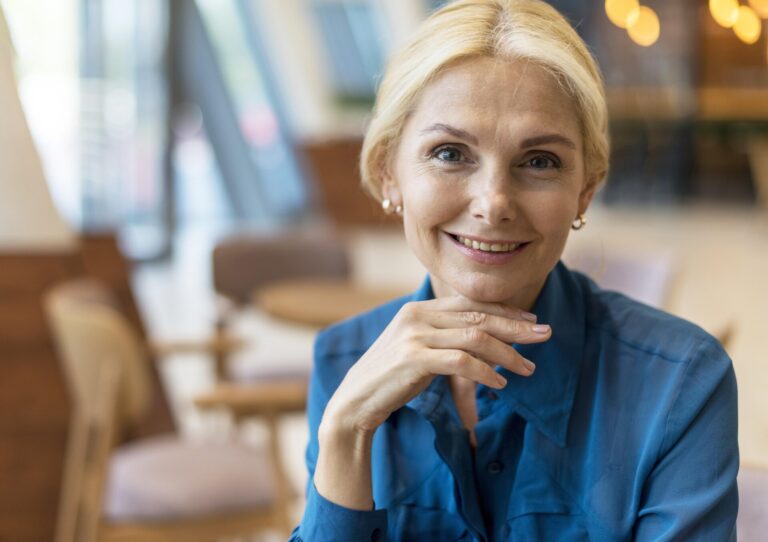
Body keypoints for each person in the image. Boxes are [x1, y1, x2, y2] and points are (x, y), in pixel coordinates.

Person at [289, 0, 739, 540]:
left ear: (586, 190)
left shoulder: (681, 382)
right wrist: (345, 434)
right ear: (390, 174)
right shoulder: (342, 361)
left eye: (540, 161)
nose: (494, 203)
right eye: (450, 153)